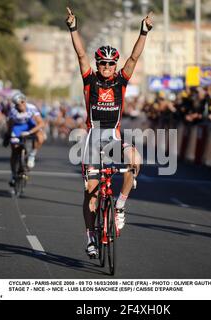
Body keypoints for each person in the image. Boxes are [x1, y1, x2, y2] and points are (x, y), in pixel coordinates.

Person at [66, 7, 152, 258]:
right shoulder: (89, 80)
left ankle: (121, 206)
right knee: (91, 193)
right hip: (93, 139)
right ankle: (90, 236)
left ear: (115, 65)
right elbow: (80, 53)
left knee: (135, 161)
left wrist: (143, 32)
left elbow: (134, 59)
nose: (106, 67)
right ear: (98, 64)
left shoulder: (120, 81)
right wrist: (73, 28)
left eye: (110, 64)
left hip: (113, 138)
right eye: (102, 63)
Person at [4, 92, 45, 186]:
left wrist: (30, 132)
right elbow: (10, 124)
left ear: (25, 101)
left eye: (22, 102)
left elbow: (41, 123)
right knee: (14, 149)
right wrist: (8, 135)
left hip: (29, 126)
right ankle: (13, 174)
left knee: (40, 137)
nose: (21, 105)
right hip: (18, 127)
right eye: (18, 104)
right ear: (15, 105)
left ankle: (32, 155)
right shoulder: (13, 111)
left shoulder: (32, 108)